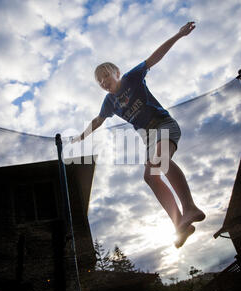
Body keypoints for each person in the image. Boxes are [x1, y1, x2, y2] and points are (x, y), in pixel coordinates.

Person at [72, 22, 205, 248]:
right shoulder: (109, 102)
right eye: (100, 81)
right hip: (149, 137)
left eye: (107, 75)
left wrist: (178, 35)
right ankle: (179, 225)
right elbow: (98, 120)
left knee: (160, 162)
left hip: (164, 125)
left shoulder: (132, 77)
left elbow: (154, 57)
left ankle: (189, 207)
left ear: (117, 73)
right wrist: (81, 136)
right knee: (150, 177)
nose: (104, 82)